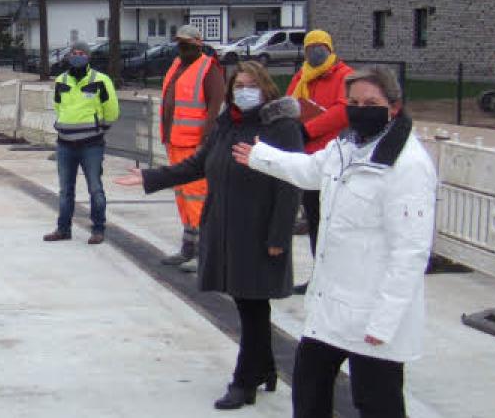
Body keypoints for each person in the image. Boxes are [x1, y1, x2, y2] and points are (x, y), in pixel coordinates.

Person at [232, 67, 436, 418]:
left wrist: (384, 322)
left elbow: (410, 254)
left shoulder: (407, 166)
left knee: (377, 402)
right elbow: (311, 170)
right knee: (309, 389)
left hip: (374, 313)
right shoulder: (346, 146)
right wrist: (260, 157)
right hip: (332, 308)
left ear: (394, 106)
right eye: (353, 102)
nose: (360, 109)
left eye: (371, 102)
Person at [116, 62, 303, 410]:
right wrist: (151, 178)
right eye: (238, 85)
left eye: (251, 85)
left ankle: (245, 381)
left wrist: (279, 236)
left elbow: (289, 185)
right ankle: (262, 368)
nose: (243, 91)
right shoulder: (227, 124)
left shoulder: (282, 128)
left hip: (259, 231)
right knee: (248, 303)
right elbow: (196, 165)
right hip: (225, 228)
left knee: (253, 305)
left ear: (265, 88)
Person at [284, 29, 352, 293]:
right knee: (315, 222)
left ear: (330, 47)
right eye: (310, 46)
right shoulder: (302, 76)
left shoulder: (343, 76)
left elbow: (342, 111)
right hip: (308, 161)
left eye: (320, 46)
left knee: (332, 224)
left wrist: (309, 128)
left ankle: (335, 279)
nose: (315, 51)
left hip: (334, 160)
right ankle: (319, 277)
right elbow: (290, 103)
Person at [158, 24, 225, 271]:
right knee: (183, 198)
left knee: (198, 198)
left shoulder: (209, 68)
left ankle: (204, 254)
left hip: (195, 144)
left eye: (186, 43)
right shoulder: (177, 65)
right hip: (174, 141)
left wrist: (205, 140)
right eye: (179, 43)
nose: (182, 47)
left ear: (198, 43)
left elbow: (215, 105)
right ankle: (188, 248)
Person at [42, 40, 119, 245]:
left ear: (88, 57)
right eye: (74, 52)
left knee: (95, 188)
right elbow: (58, 106)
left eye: (81, 53)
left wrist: (100, 128)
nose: (77, 56)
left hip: (91, 145)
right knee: (65, 190)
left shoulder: (100, 80)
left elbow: (111, 109)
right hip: (65, 144)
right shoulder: (61, 80)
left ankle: (98, 229)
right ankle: (63, 229)